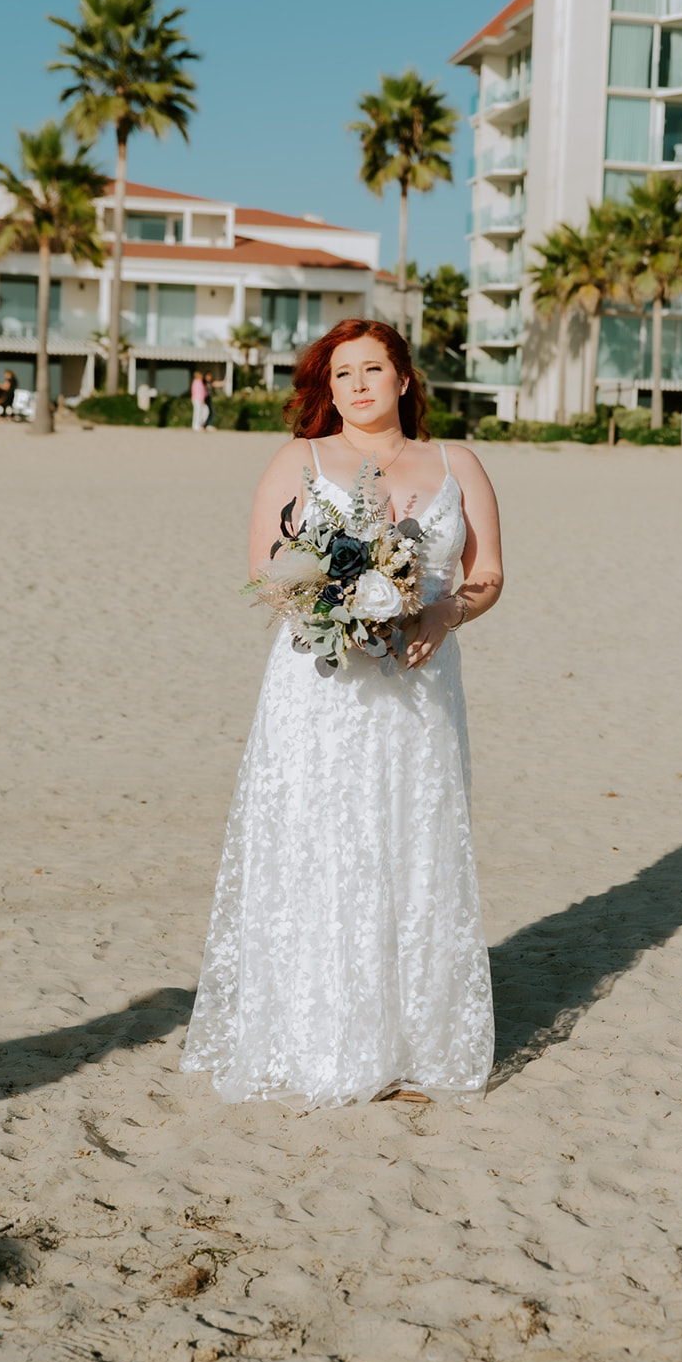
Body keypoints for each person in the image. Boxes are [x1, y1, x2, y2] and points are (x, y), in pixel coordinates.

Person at [181, 319, 504, 1108]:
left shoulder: (456, 462)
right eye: (341, 375)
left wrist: (441, 615)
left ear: (402, 379)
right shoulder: (301, 459)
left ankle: (413, 1045)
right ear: (327, 391)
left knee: (411, 844)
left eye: (372, 369)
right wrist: (333, 606)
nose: (357, 385)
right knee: (321, 846)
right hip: (319, 688)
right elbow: (263, 571)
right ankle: (316, 1040)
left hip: (419, 689)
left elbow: (487, 572)